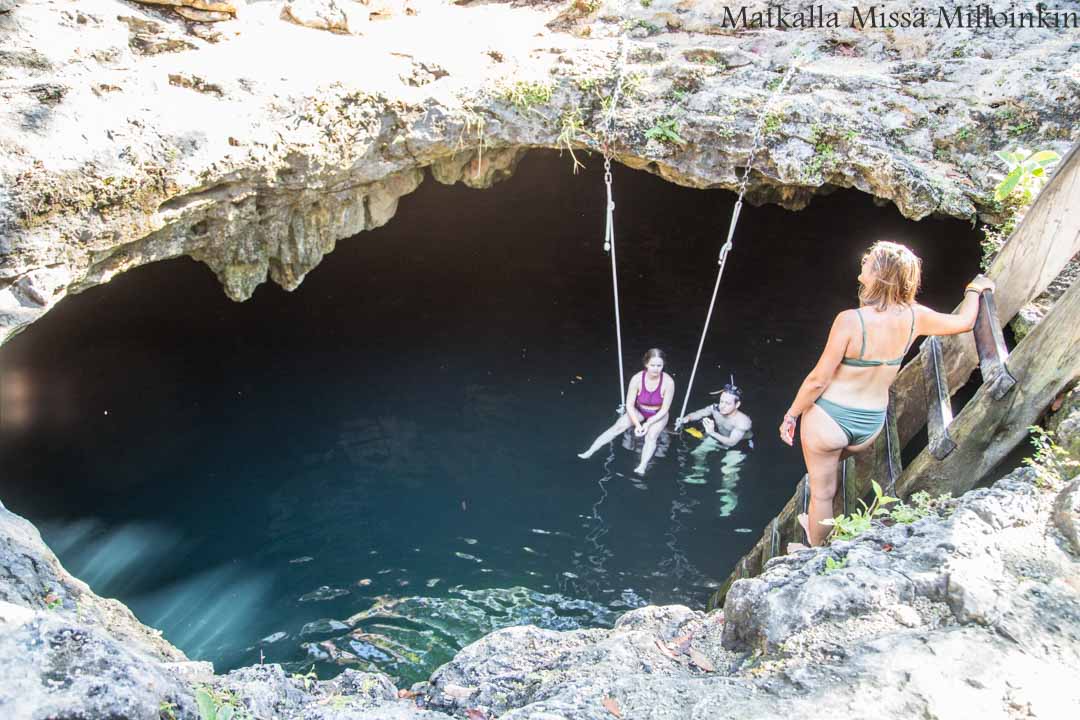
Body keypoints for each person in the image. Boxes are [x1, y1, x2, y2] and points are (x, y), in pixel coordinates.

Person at [779, 240, 994, 550]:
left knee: (822, 492)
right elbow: (964, 322)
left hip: (829, 420)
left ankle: (812, 550)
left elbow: (817, 380)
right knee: (831, 477)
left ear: (880, 274)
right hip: (869, 425)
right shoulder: (915, 316)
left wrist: (791, 415)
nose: (861, 267)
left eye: (867, 263)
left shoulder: (851, 321)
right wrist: (974, 290)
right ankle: (821, 525)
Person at [578, 348, 675, 475]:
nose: (656, 369)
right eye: (652, 365)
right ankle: (590, 451)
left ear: (663, 365)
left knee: (651, 435)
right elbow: (629, 404)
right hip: (639, 409)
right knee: (618, 427)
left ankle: (642, 465)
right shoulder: (637, 379)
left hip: (658, 414)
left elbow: (665, 409)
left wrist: (647, 424)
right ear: (646, 364)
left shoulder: (668, 382)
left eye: (659, 365)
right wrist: (638, 424)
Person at [677, 382, 753, 487]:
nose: (722, 406)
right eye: (721, 401)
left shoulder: (743, 421)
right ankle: (698, 475)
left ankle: (728, 496)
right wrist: (686, 418)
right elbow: (699, 413)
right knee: (698, 452)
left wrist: (712, 432)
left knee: (727, 470)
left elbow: (732, 442)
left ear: (737, 405)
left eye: (727, 403)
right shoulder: (715, 408)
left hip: (739, 445)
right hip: (719, 436)